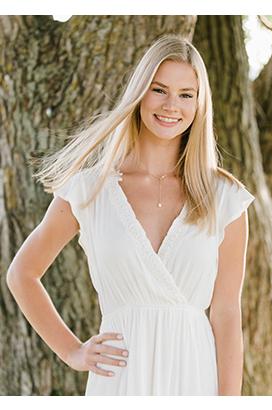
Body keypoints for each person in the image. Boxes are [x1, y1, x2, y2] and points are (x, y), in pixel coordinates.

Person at [6, 35, 253, 396]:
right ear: (140, 93)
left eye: (186, 94)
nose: (172, 105)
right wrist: (73, 351)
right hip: (118, 381)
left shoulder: (224, 197)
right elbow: (22, 274)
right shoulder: (90, 190)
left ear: (200, 104)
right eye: (159, 90)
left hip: (195, 379)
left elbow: (227, 313)